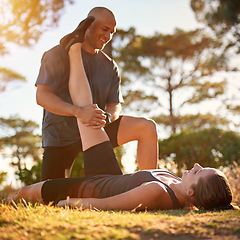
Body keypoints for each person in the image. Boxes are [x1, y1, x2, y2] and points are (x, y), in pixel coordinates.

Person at [5, 42, 235, 212]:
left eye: (198, 171)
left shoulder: (158, 193)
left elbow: (108, 204)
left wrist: (75, 203)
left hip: (92, 186)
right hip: (109, 174)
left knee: (25, 194)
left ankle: (5, 206)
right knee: (89, 113)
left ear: (192, 192)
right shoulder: (175, 183)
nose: (195, 165)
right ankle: (75, 48)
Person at [35, 6, 158, 181]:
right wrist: (78, 112)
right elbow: (42, 96)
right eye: (104, 29)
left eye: (112, 32)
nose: (108, 37)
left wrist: (108, 118)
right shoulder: (57, 54)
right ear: (89, 26)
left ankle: (151, 184)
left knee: (147, 127)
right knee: (52, 196)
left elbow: (114, 104)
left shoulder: (109, 66)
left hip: (96, 127)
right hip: (60, 136)